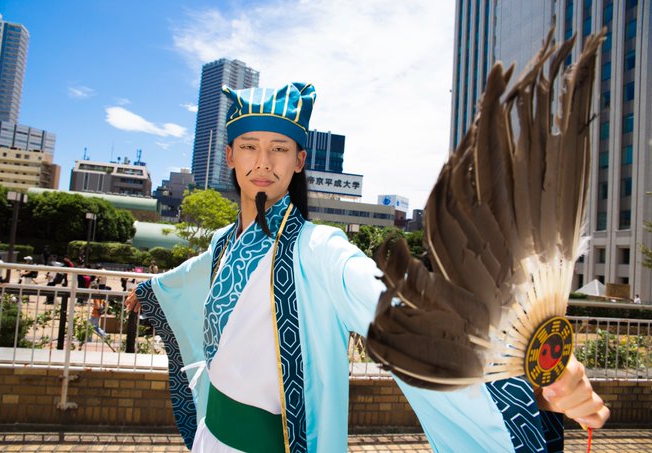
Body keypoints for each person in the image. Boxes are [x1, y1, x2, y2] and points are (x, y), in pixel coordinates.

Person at [126, 83, 608, 452]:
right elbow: (192, 274)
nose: (263, 162)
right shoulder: (222, 243)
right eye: (249, 146)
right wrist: (149, 291)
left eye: (280, 148)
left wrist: (530, 370)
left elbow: (402, 313)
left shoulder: (318, 251)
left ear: (300, 160)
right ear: (229, 155)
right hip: (211, 435)